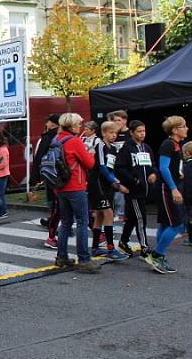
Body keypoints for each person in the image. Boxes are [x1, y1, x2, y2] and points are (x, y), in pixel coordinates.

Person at [52, 113, 98, 273]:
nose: (80, 127)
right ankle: (84, 259)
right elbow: (90, 163)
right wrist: (90, 153)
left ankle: (61, 256)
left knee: (65, 222)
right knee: (82, 222)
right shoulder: (75, 141)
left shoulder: (56, 140)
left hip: (60, 187)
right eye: (78, 124)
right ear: (71, 126)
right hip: (75, 186)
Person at [144, 116, 189, 274]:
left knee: (164, 223)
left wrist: (179, 174)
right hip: (166, 188)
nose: (187, 128)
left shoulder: (177, 144)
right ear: (175, 130)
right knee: (176, 224)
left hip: (170, 186)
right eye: (183, 126)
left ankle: (159, 257)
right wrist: (173, 188)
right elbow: (163, 168)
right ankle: (157, 254)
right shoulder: (168, 144)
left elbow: (173, 167)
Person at [115, 120, 158, 257]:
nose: (142, 134)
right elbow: (119, 167)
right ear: (132, 133)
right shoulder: (126, 148)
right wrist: (132, 179)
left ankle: (123, 240)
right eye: (139, 131)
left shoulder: (146, 148)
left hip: (145, 189)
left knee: (133, 218)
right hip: (133, 190)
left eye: (144, 131)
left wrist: (153, 173)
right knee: (141, 218)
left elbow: (152, 164)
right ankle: (144, 246)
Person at [88, 122, 130, 261]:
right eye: (111, 133)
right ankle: (111, 249)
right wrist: (115, 182)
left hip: (107, 185)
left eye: (115, 133)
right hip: (98, 184)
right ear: (104, 133)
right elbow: (102, 167)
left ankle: (95, 247)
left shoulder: (113, 148)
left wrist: (116, 179)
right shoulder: (100, 145)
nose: (114, 135)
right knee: (109, 213)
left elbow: (112, 167)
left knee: (100, 215)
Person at [33, 114, 61, 248]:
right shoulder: (57, 136)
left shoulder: (49, 137)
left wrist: (37, 176)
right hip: (60, 176)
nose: (47, 124)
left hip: (52, 175)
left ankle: (53, 231)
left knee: (55, 204)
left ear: (54, 123)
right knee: (60, 205)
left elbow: (39, 157)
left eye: (48, 122)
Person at [108, 110, 130, 220]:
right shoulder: (113, 134)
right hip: (114, 166)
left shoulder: (130, 133)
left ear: (125, 121)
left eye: (119, 120)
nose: (116, 122)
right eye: (114, 120)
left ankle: (124, 213)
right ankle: (119, 213)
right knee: (117, 189)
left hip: (126, 167)